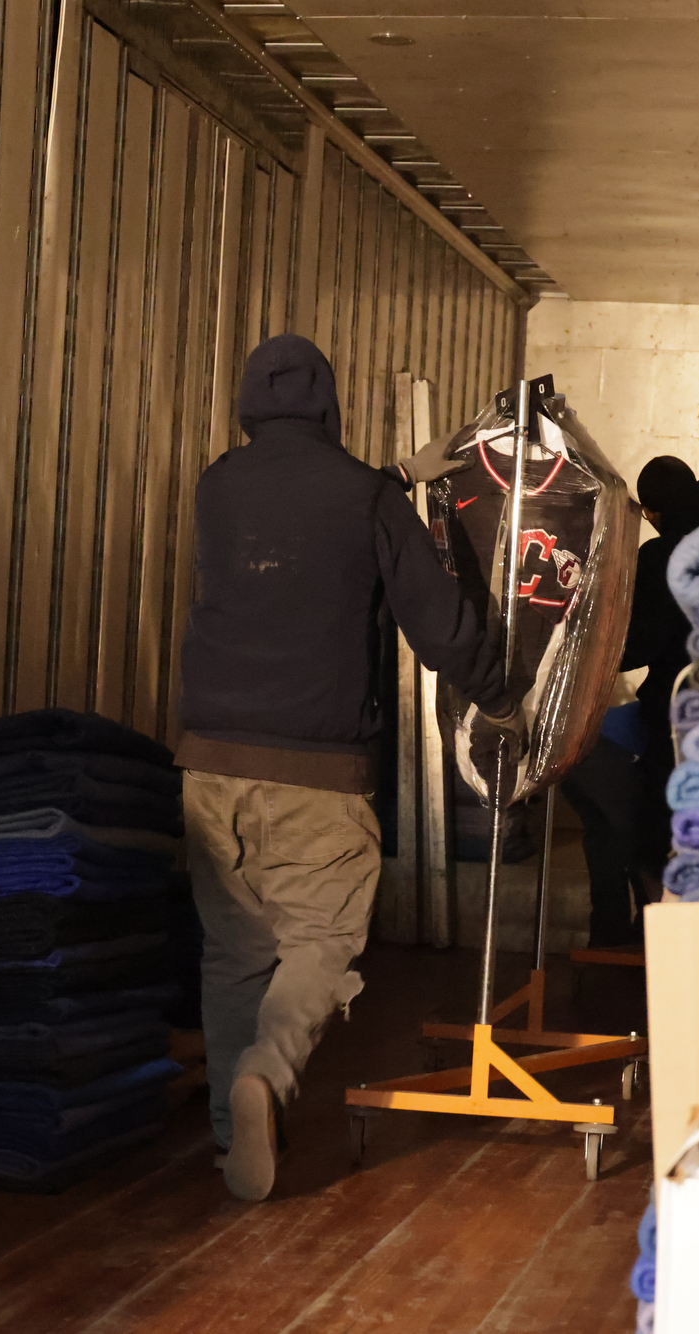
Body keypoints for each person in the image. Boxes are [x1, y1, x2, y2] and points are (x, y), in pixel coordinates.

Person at [176, 333, 520, 1202]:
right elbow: (436, 623)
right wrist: (502, 693)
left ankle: (231, 1140)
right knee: (322, 940)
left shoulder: (217, 486)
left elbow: (301, 522)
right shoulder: (361, 495)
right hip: (314, 769)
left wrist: (399, 479)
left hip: (208, 766)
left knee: (234, 955)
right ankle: (270, 1070)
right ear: (330, 405)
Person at [620, 455, 699, 871]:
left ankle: (647, 921)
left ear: (651, 511)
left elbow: (639, 644)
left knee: (654, 828)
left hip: (682, 713)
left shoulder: (663, 557)